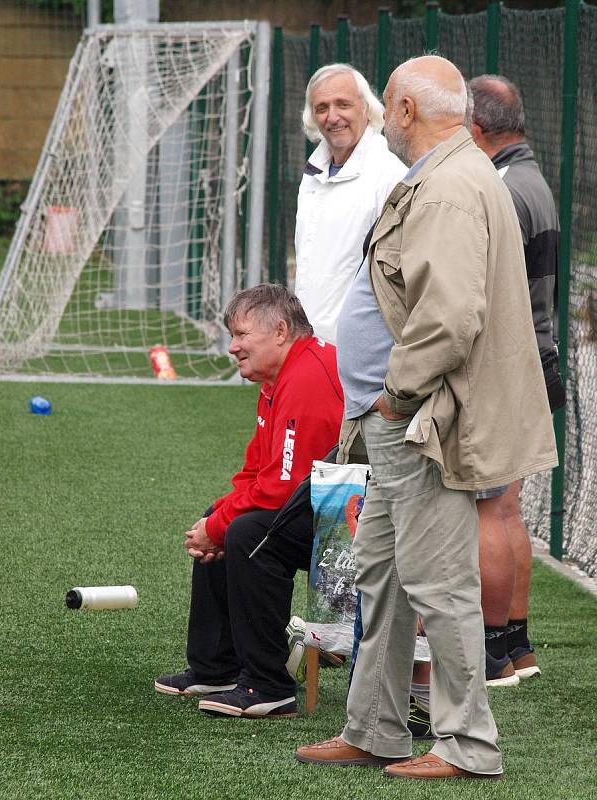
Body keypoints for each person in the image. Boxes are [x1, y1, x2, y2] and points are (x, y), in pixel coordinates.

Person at [296, 55, 557, 780]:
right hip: (409, 421)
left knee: (438, 583)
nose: (386, 114)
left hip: (422, 422)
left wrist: (395, 394)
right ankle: (375, 727)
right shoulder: (455, 173)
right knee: (380, 575)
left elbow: (448, 319)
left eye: (387, 103)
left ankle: (467, 745)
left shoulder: (445, 186)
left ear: (406, 110)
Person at [155, 284, 344, 718]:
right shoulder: (279, 376)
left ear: (280, 330)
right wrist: (214, 521)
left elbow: (284, 488)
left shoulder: (308, 377)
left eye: (241, 335)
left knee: (248, 533)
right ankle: (216, 667)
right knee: (225, 519)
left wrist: (219, 529)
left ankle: (268, 685)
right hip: (319, 503)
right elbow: (256, 472)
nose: (232, 347)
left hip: (354, 522)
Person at [468, 74, 560, 685]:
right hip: (541, 361)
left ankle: (492, 652)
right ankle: (516, 645)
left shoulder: (502, 185)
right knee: (508, 510)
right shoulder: (534, 178)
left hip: (511, 368)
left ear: (475, 129)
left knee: (487, 510)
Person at [294, 63, 406, 344]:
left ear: (366, 109)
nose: (333, 117)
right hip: (309, 343)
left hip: (360, 349)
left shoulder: (389, 175)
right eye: (321, 108)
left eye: (343, 104)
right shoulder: (312, 175)